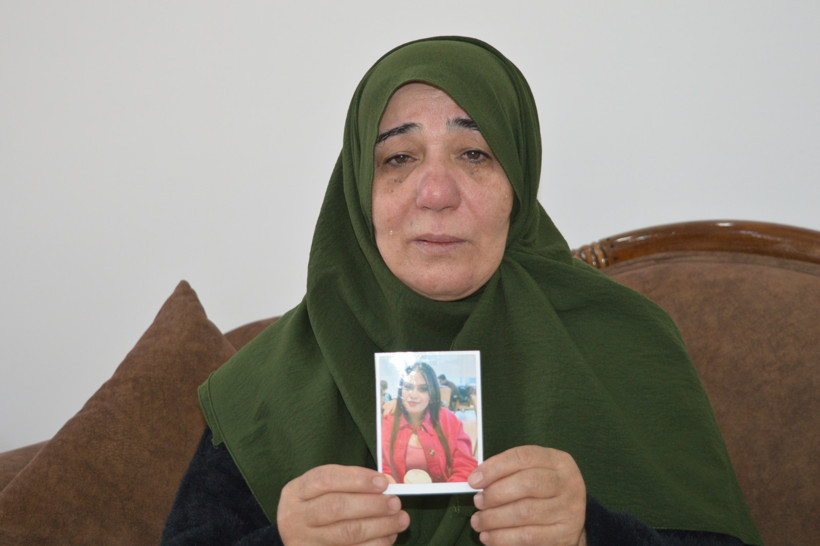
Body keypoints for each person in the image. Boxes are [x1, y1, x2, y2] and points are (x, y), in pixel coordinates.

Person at [162, 37, 761, 545]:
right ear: (360, 192)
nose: (436, 193)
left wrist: (592, 533)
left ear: (517, 183)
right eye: (399, 157)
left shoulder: (627, 340)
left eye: (474, 153)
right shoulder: (267, 387)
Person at [382, 362, 477, 484]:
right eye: (408, 387)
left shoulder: (449, 420)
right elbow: (383, 465)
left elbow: (465, 466)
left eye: (423, 389)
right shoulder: (388, 420)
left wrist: (447, 492)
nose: (413, 395)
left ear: (432, 394)